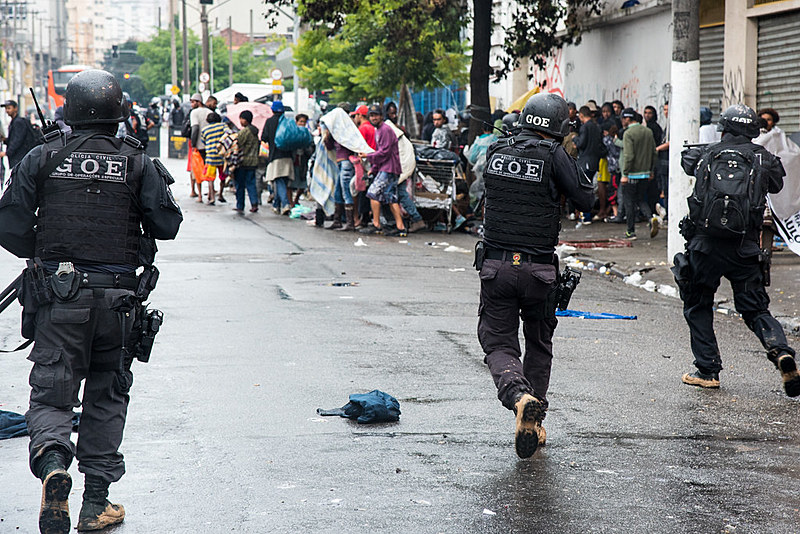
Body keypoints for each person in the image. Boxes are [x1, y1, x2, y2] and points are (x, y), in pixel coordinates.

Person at [0, 69, 182, 533]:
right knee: (107, 394)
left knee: (52, 396)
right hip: (118, 304)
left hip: (59, 301)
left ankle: (54, 463)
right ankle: (95, 503)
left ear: (70, 110)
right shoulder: (138, 162)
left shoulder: (41, 157)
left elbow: (10, 227)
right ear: (120, 110)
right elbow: (167, 225)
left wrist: (46, 247)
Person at [478, 92, 593, 459]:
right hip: (539, 271)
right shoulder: (554, 155)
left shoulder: (497, 151)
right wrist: (573, 162)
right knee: (539, 342)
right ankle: (535, 416)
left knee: (498, 344)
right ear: (559, 127)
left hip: (496, 267)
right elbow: (586, 199)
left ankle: (518, 396)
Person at [676, 104, 800, 397]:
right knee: (756, 309)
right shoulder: (763, 158)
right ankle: (780, 352)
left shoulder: (706, 153)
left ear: (724, 127)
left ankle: (707, 371)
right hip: (745, 249)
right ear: (753, 130)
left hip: (705, 247)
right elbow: (777, 185)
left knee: (698, 303)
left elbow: (685, 162)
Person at [358, 104, 407, 236]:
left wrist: (367, 156)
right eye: (371, 115)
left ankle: (376, 224)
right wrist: (373, 169)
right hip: (388, 167)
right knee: (391, 198)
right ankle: (400, 227)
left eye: (376, 115)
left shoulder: (385, 129)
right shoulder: (378, 130)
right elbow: (381, 152)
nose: (374, 118)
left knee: (373, 193)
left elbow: (384, 152)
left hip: (389, 168)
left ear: (381, 116)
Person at [619, 108, 658, 240]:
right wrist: (651, 171)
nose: (622, 121)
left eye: (623, 119)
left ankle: (630, 231)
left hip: (631, 175)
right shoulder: (648, 132)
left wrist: (625, 173)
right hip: (645, 174)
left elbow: (629, 156)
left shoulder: (628, 133)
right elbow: (654, 152)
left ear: (627, 119)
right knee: (640, 199)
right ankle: (651, 218)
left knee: (628, 202)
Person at [260, 100, 294, 215]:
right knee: (282, 181)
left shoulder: (270, 122)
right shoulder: (288, 121)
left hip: (275, 156)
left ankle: (285, 204)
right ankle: (276, 205)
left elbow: (263, 137)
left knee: (278, 180)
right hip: (288, 156)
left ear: (272, 110)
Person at [233, 110, 260, 213]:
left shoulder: (244, 132)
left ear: (245, 119)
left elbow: (238, 144)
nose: (240, 121)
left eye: (241, 119)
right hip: (253, 162)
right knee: (251, 184)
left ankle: (240, 205)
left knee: (240, 185)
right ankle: (254, 203)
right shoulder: (255, 131)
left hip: (243, 162)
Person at [0, 99, 38, 168]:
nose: (7, 111)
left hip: (19, 157)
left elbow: (17, 140)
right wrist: (4, 140)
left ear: (15, 108)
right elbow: (13, 138)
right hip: (17, 158)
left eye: (9, 108)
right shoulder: (14, 122)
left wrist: (7, 153)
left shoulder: (18, 122)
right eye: (6, 109)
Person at [189, 93, 212, 201]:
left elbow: (195, 129)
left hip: (199, 146)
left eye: (193, 102)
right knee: (209, 170)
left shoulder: (194, 113)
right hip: (209, 146)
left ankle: (200, 195)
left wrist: (193, 144)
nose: (191, 104)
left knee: (197, 170)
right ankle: (211, 195)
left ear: (199, 102)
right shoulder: (209, 112)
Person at [200, 112, 226, 205]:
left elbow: (203, 141)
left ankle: (212, 198)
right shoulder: (223, 126)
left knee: (210, 178)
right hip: (222, 156)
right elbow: (229, 134)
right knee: (223, 177)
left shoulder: (205, 130)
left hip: (210, 157)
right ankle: (221, 195)